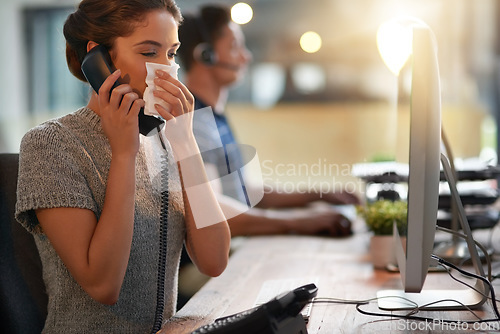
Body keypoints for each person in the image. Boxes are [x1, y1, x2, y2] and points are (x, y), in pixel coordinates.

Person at [14, 0, 231, 333]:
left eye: (171, 54)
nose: (166, 68)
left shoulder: (166, 139)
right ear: (99, 59)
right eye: (148, 53)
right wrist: (123, 155)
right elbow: (103, 286)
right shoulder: (50, 144)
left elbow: (214, 261)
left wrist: (186, 142)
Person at [177, 5, 360, 238]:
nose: (247, 56)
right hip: (213, 264)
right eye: (235, 47)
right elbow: (213, 211)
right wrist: (298, 222)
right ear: (206, 54)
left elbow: (244, 191)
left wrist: (317, 194)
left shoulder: (214, 118)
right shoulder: (193, 123)